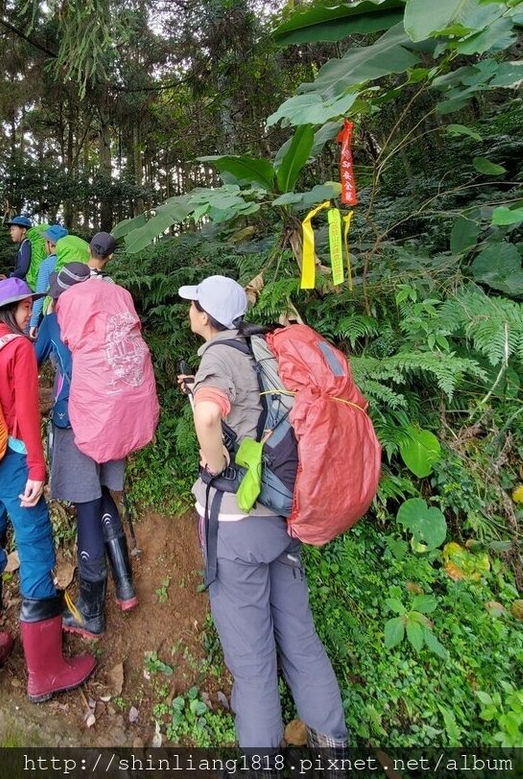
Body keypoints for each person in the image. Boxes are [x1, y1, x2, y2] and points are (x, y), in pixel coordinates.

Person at [177, 276, 348, 754]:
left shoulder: (216, 355)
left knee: (252, 663)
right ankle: (333, 744)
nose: (190, 311)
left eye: (195, 305)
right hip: (280, 510)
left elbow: (209, 418)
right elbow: (254, 408)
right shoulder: (261, 347)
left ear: (206, 318)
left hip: (236, 525)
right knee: (300, 636)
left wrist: (214, 462)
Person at [0, 277, 96, 700]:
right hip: (12, 462)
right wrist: (37, 469)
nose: (30, 313)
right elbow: (25, 411)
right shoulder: (18, 348)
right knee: (37, 547)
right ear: (10, 310)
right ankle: (45, 672)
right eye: (25, 307)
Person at [34, 263, 138, 640]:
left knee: (88, 508)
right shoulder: (109, 316)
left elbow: (31, 364)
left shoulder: (53, 322)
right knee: (104, 494)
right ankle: (125, 587)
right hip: (113, 418)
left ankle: (91, 613)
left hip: (75, 423)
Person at [29, 224, 68, 339]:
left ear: (50, 244)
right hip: (69, 313)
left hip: (51, 313)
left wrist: (33, 323)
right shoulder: (71, 261)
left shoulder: (47, 264)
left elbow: (40, 295)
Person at [1, 214, 33, 280]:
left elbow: (22, 270)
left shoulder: (26, 244)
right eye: (11, 230)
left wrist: (10, 279)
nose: (11, 233)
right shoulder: (23, 244)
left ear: (23, 231)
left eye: (13, 229)